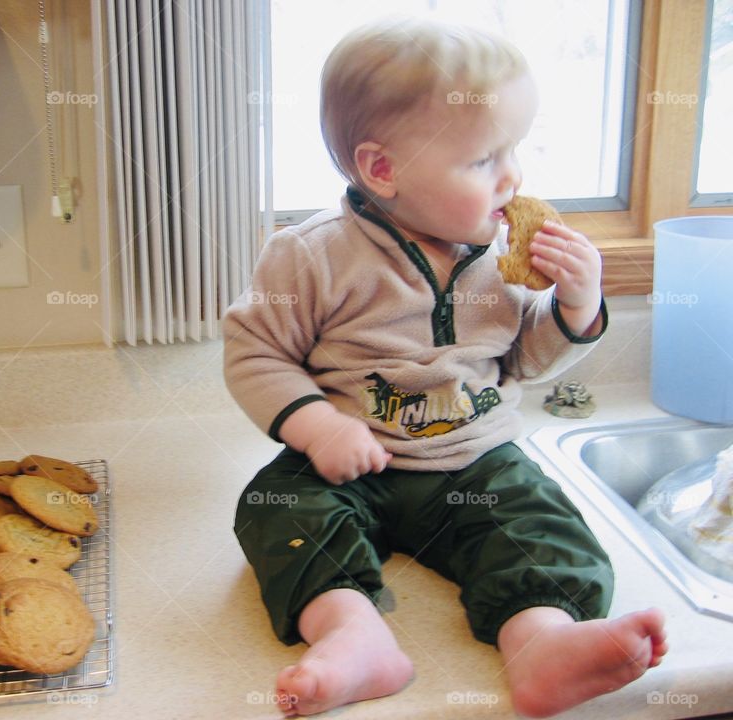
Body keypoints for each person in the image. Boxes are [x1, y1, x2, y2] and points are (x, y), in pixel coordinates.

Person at [223, 19, 667, 718]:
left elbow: (524, 359)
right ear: (383, 171)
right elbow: (256, 352)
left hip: (475, 464)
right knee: (275, 507)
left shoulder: (502, 257)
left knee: (536, 523)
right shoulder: (311, 256)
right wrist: (314, 428)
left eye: (516, 150)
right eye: (486, 157)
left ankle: (542, 644)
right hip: (352, 467)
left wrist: (575, 306)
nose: (514, 176)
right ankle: (353, 633)